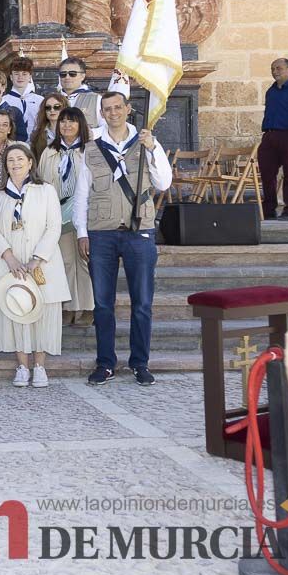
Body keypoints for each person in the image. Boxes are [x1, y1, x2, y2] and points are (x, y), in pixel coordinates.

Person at [75, 91, 172, 386]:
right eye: (107, 109)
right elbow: (82, 194)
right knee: (103, 304)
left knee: (142, 302)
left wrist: (153, 148)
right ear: (101, 114)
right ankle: (105, 362)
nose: (113, 112)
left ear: (128, 109)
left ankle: (140, 362)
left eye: (118, 107)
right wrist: (81, 232)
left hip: (138, 232)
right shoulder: (91, 148)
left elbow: (164, 182)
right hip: (101, 232)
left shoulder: (146, 142)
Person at [0, 143, 69, 388]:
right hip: (10, 263)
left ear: (30, 162)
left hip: (40, 262)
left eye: (20, 159)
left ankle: (40, 366)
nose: (15, 164)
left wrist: (37, 259)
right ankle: (22, 365)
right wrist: (8, 256)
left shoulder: (46, 191)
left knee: (40, 311)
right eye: (10, 160)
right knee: (16, 310)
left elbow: (54, 226)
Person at [38, 107, 95, 326]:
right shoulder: (49, 153)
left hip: (83, 213)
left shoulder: (90, 151)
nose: (67, 126)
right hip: (58, 213)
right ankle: (69, 306)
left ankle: (89, 307)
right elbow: (42, 183)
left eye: (72, 122)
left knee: (85, 260)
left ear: (81, 125)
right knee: (66, 262)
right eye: (63, 122)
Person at [260, 57, 288, 219]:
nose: (275, 72)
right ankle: (269, 209)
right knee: (267, 174)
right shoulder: (271, 91)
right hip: (269, 135)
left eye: (278, 68)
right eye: (273, 69)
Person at [58, 57, 129, 130]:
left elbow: (108, 126)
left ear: (82, 76)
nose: (67, 77)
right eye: (63, 74)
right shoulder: (52, 100)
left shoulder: (96, 99)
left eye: (72, 74)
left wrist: (90, 135)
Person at [7, 56, 43, 135]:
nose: (20, 77)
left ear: (30, 77)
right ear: (11, 77)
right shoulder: (4, 101)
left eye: (24, 74)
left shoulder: (40, 100)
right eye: (16, 74)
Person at [30, 92, 69, 160]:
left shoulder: (75, 131)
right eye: (48, 107)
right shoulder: (36, 135)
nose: (52, 110)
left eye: (57, 107)